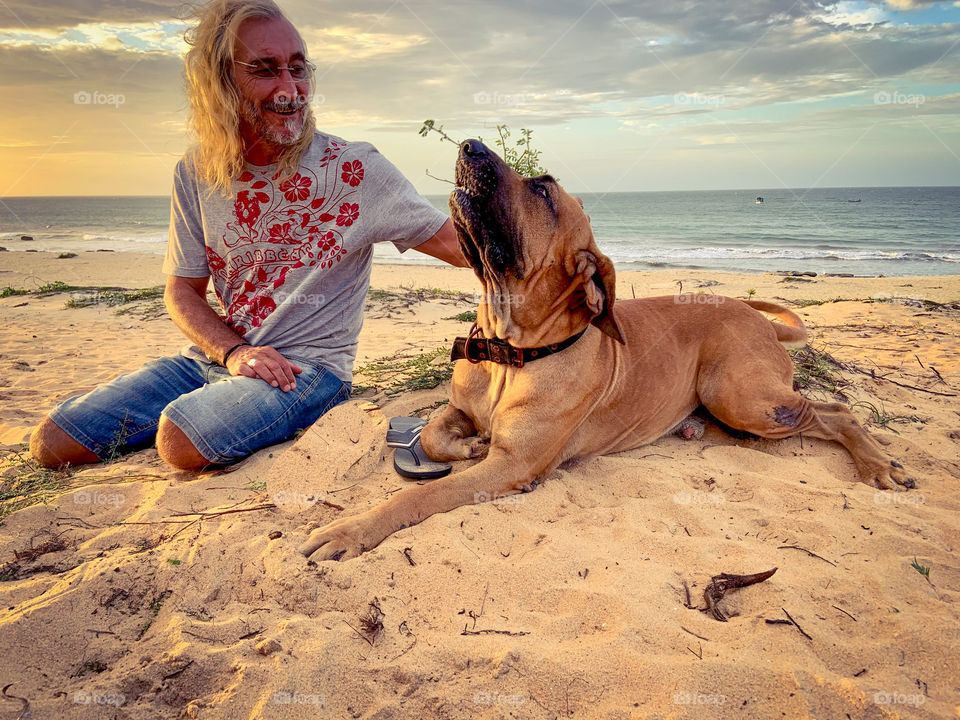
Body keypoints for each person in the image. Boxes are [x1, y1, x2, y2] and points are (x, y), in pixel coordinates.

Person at [29, 0, 466, 471]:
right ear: (219, 84)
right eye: (264, 70)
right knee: (54, 441)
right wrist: (233, 352)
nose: (290, 89)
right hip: (213, 359)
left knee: (180, 440)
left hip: (308, 370)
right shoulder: (197, 172)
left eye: (298, 69)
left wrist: (546, 249)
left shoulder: (355, 169)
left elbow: (465, 250)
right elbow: (182, 290)